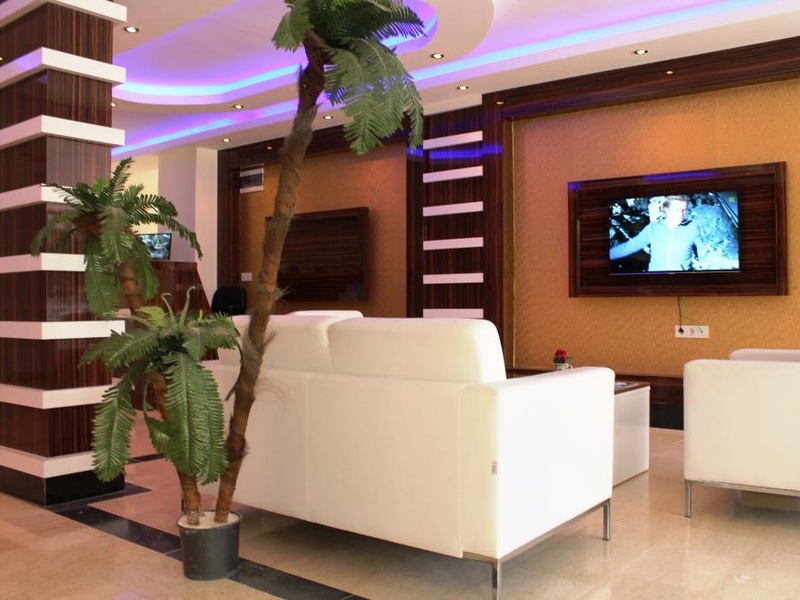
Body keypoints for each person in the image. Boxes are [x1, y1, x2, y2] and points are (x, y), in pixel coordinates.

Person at [610, 195, 701, 272]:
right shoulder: (653, 228)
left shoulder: (692, 227)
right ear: (667, 210)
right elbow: (627, 248)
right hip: (656, 280)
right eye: (677, 210)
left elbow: (703, 250)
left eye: (684, 210)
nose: (681, 214)